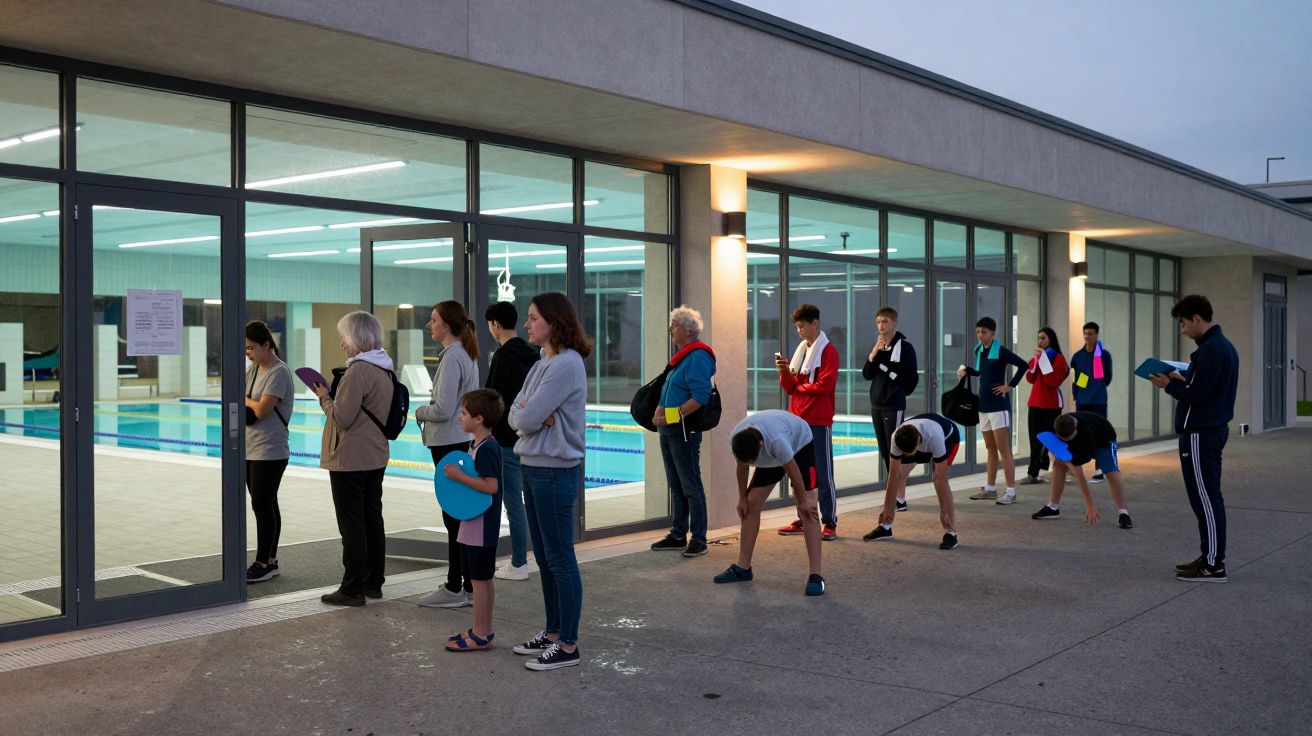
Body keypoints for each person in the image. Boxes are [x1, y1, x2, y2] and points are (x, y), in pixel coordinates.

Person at [509, 292, 590, 671]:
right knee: (543, 556)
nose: (527, 324)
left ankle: (569, 645)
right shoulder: (544, 361)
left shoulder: (565, 365)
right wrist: (529, 414)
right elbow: (516, 412)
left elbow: (524, 418)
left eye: (533, 318)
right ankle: (554, 631)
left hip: (554, 472)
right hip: (534, 465)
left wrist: (530, 415)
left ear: (554, 323)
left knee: (559, 556)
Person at [1149, 294, 1238, 583]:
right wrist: (1179, 379)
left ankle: (1214, 565)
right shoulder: (1221, 347)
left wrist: (1167, 385)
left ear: (1197, 318)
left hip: (1202, 433)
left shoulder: (1211, 350)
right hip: (1208, 430)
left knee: (1207, 500)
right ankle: (1209, 557)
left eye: (1183, 323)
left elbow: (1198, 396)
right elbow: (1202, 388)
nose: (1183, 329)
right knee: (1206, 498)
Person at [312, 311, 394, 607]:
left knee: (352, 524)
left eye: (344, 337)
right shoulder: (385, 368)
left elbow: (342, 417)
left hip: (351, 459)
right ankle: (373, 581)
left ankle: (352, 588)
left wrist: (324, 397)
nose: (342, 344)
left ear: (356, 337)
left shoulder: (358, 370)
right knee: (372, 518)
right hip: (375, 455)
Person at [715, 410, 826, 596]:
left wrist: (803, 501)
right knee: (749, 505)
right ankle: (743, 568)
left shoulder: (777, 442)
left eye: (754, 461)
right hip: (773, 450)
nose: (752, 463)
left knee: (809, 509)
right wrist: (742, 498)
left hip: (801, 446)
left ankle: (816, 575)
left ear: (760, 446)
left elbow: (794, 472)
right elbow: (741, 467)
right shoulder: (738, 438)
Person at [416, 301, 481, 609]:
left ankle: (456, 587)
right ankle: (466, 585)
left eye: (433, 320)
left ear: (447, 325)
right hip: (460, 441)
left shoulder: (453, 356)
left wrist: (419, 411)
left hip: (448, 443)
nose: (430, 325)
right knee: (459, 518)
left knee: (453, 519)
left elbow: (442, 410)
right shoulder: (465, 354)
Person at [440, 389, 505, 652]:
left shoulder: (488, 448)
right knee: (483, 579)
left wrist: (459, 477)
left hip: (480, 526)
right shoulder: (479, 444)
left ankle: (479, 634)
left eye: (464, 413)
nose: (460, 417)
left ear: (478, 419)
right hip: (474, 523)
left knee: (479, 581)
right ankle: (483, 630)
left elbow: (491, 486)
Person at [650, 305, 717, 558]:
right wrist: (659, 412)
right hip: (669, 429)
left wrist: (669, 416)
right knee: (676, 485)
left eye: (674, 326)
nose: (670, 330)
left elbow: (700, 397)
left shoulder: (698, 356)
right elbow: (667, 390)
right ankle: (679, 534)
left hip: (684, 430)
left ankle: (699, 537)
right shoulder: (680, 357)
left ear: (688, 330)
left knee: (691, 485)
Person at [483, 300, 540, 582]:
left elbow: (492, 398)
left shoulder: (503, 357)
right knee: (523, 501)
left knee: (511, 502)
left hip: (505, 439)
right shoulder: (533, 354)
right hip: (528, 437)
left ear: (494, 325)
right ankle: (524, 559)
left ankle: (519, 562)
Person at [775, 304, 840, 540]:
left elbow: (825, 386)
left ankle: (830, 521)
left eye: (802, 326)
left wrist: (799, 387)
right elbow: (790, 388)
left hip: (818, 421)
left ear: (815, 324)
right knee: (798, 475)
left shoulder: (828, 352)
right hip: (797, 421)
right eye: (797, 326)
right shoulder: (802, 351)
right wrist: (784, 371)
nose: (799, 331)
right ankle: (803, 517)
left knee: (823, 474)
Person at [862, 413, 960, 549]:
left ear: (918, 440)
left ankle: (951, 532)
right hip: (918, 441)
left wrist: (943, 511)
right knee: (899, 473)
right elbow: (893, 475)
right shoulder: (897, 438)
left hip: (948, 438)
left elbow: (941, 479)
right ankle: (886, 526)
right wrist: (886, 507)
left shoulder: (934, 437)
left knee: (936, 477)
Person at [243, 320, 294, 583]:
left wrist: (245, 401)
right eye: (246, 349)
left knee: (262, 504)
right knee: (266, 503)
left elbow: (262, 410)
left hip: (270, 450)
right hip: (251, 448)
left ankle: (263, 562)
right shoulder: (253, 370)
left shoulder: (278, 372)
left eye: (252, 348)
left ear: (266, 344)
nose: (248, 353)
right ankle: (270, 560)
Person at [960, 316, 1028, 505]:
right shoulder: (981, 351)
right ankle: (990, 489)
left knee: (1004, 450)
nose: (980, 336)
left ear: (993, 333)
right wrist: (967, 370)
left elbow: (1024, 365)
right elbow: (982, 372)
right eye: (978, 332)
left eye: (984, 332)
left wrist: (1010, 386)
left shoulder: (1001, 351)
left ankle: (1011, 492)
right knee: (990, 449)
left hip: (999, 407)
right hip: (984, 407)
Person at [1030, 412, 1133, 528]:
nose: (1067, 442)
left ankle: (1123, 513)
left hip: (1104, 438)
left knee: (1111, 472)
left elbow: (1080, 475)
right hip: (1081, 440)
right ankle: (1053, 508)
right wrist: (1057, 455)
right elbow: (1048, 441)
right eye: (1064, 439)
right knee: (1059, 465)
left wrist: (1090, 506)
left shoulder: (1085, 434)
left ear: (1076, 429)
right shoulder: (1057, 425)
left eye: (1069, 439)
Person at [862, 307, 919, 511]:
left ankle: (899, 498)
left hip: (893, 405)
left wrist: (887, 368)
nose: (881, 326)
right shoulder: (879, 347)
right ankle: (895, 495)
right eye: (878, 322)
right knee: (886, 453)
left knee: (896, 453)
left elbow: (911, 381)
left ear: (894, 322)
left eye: (885, 321)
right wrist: (874, 353)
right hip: (876, 404)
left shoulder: (904, 347)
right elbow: (867, 374)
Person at [1021, 327, 1069, 485]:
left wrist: (1043, 362)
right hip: (1035, 403)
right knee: (1035, 440)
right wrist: (1036, 361)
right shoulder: (1039, 357)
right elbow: (1030, 378)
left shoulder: (1059, 359)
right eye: (1039, 338)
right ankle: (1032, 474)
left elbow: (1052, 382)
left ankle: (1064, 470)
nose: (1040, 341)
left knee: (1054, 440)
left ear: (1051, 340)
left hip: (1051, 405)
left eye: (1043, 338)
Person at [1069, 322, 1113, 483]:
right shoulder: (1078, 356)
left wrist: (1096, 386)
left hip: (1099, 401)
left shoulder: (1103, 355)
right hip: (1083, 402)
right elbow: (1078, 378)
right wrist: (1078, 394)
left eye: (1091, 334)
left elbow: (1107, 378)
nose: (1088, 336)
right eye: (1085, 333)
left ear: (1097, 335)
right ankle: (1077, 466)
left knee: (1099, 434)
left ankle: (1099, 470)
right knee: (1081, 433)